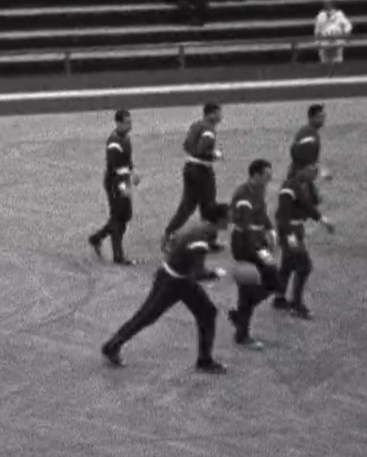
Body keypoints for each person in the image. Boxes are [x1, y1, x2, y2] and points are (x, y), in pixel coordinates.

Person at [101, 203, 230, 373]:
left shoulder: (204, 229)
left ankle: (205, 360)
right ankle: (112, 345)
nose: (232, 218)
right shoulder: (203, 238)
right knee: (147, 315)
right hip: (174, 282)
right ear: (220, 219)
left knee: (207, 312)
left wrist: (211, 247)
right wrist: (215, 274)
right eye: (229, 216)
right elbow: (197, 273)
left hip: (175, 276)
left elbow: (180, 240)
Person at [228, 159, 278, 350]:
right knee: (268, 279)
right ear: (255, 175)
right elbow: (247, 227)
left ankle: (241, 320)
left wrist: (270, 229)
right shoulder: (243, 197)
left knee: (251, 287)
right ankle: (242, 326)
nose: (270, 177)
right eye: (266, 174)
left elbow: (261, 213)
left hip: (255, 240)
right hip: (245, 243)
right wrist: (260, 251)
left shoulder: (259, 189)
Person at [273, 163, 335, 318]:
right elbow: (283, 218)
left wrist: (322, 220)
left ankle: (279, 298)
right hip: (290, 232)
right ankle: (296, 304)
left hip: (297, 229)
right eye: (310, 170)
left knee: (287, 265)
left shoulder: (302, 184)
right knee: (304, 266)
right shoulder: (288, 190)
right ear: (299, 171)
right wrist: (290, 238)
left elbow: (308, 205)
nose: (314, 173)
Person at [162, 102, 224, 253]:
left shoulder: (196, 125)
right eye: (219, 113)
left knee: (188, 206)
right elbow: (201, 150)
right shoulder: (209, 130)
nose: (221, 116)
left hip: (190, 168)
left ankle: (169, 233)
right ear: (212, 114)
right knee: (209, 205)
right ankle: (211, 239)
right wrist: (214, 154)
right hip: (202, 170)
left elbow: (186, 145)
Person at [89, 109, 140, 266]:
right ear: (118, 123)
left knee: (124, 216)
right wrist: (122, 186)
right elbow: (113, 167)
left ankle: (97, 238)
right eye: (127, 122)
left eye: (130, 121)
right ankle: (118, 255)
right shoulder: (114, 144)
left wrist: (132, 171)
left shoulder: (125, 138)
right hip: (115, 183)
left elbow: (126, 160)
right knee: (119, 218)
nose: (130, 125)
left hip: (122, 180)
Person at [289, 104, 330, 202]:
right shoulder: (308, 136)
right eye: (320, 117)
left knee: (315, 200)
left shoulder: (309, 132)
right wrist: (319, 170)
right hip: (300, 172)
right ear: (311, 118)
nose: (323, 120)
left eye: (323, 117)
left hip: (300, 171)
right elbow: (299, 156)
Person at [314, 0, 353, 68]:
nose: (328, 4)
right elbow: (317, 31)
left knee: (337, 65)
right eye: (326, 3)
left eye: (329, 2)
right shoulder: (320, 16)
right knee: (325, 65)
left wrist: (345, 38)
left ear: (333, 3)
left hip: (337, 43)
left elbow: (348, 27)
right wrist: (318, 43)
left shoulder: (339, 14)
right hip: (325, 45)